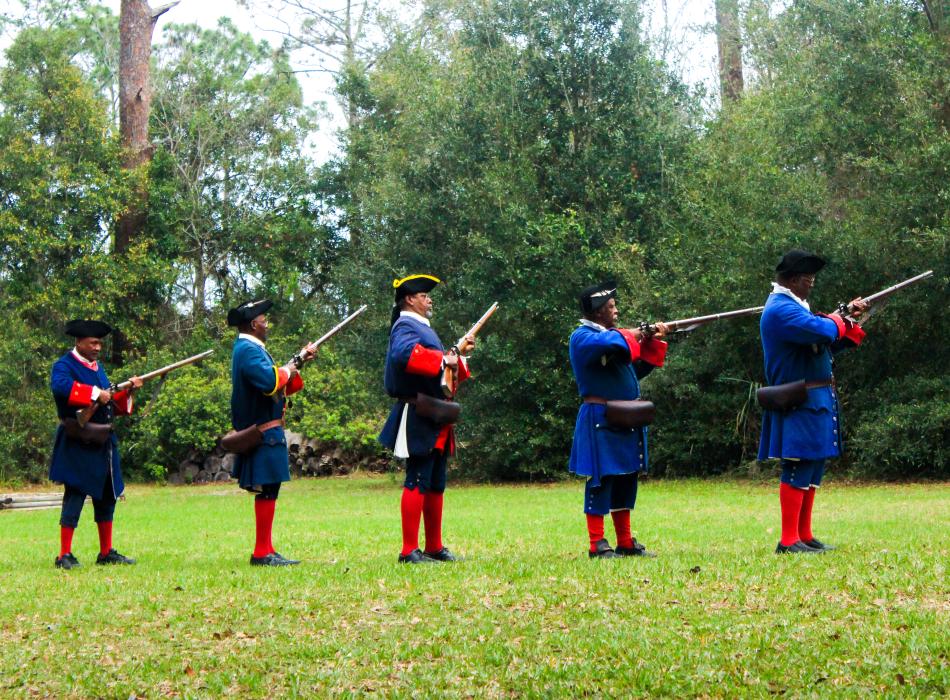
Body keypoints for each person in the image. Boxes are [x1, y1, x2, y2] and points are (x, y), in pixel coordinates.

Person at [758, 250, 867, 554]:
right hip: (799, 397)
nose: (812, 284)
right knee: (798, 464)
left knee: (813, 465)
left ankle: (804, 534)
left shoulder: (795, 307)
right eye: (808, 279)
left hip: (814, 396)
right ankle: (789, 539)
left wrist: (848, 322)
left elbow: (825, 343)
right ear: (793, 280)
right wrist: (838, 319)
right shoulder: (781, 309)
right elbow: (824, 329)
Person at [568, 282, 668, 559]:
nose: (616, 310)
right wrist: (636, 334)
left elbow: (633, 372)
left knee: (626, 477)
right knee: (601, 481)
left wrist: (652, 340)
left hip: (623, 416)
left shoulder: (612, 339)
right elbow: (611, 341)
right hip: (600, 417)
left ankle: (625, 541)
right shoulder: (582, 337)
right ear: (598, 311)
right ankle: (597, 543)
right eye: (611, 307)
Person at [379, 275, 475, 564]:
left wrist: (457, 357)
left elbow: (442, 369)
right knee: (418, 478)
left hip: (434, 411)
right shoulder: (406, 325)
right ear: (410, 299)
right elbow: (405, 355)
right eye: (424, 295)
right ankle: (409, 550)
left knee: (435, 481)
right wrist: (445, 359)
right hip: (419, 411)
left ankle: (434, 546)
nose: (429, 299)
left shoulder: (421, 327)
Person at [227, 299, 315, 566]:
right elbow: (268, 381)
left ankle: (266, 548)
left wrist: (298, 363)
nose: (267, 324)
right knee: (267, 489)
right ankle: (261, 552)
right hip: (263, 430)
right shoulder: (249, 350)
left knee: (270, 489)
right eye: (264, 320)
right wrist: (289, 367)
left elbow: (279, 381)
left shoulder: (251, 348)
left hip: (268, 428)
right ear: (254, 324)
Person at [50, 320, 143, 569]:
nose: (98, 347)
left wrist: (128, 391)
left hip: (102, 440)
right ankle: (64, 554)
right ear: (79, 342)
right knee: (75, 495)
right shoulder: (64, 365)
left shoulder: (98, 368)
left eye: (100, 343)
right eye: (93, 342)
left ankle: (106, 552)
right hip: (78, 439)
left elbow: (109, 402)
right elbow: (61, 388)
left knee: (106, 497)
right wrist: (94, 393)